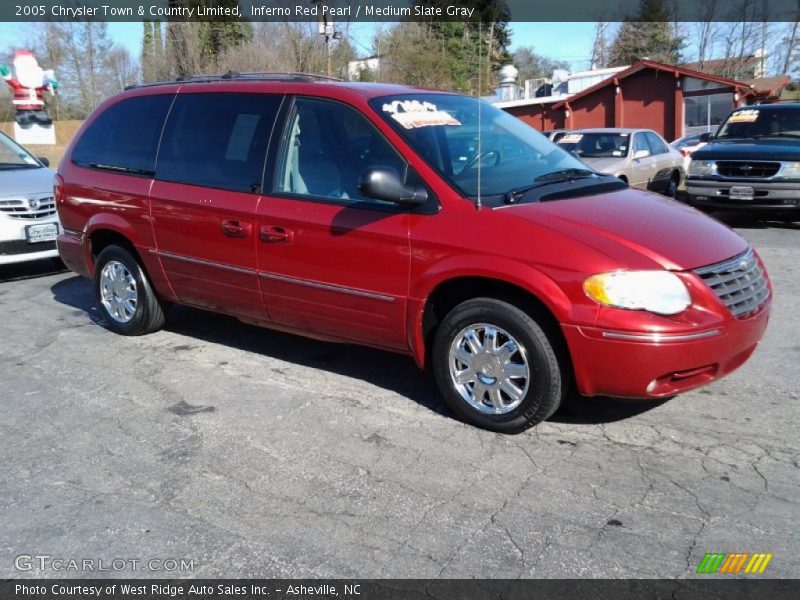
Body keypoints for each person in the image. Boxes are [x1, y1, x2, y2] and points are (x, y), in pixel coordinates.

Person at [0, 49, 58, 128]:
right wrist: (6, 75)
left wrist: (52, 84)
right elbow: (10, 80)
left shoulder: (39, 83)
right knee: (25, 118)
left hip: (38, 108)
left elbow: (48, 86)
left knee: (43, 119)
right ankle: (24, 118)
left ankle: (40, 118)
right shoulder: (19, 83)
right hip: (23, 109)